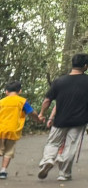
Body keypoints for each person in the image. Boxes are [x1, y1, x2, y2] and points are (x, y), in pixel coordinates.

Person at [36, 53, 88, 181]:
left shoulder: (59, 81)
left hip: (60, 120)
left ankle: (48, 159)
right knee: (71, 145)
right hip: (79, 120)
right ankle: (63, 174)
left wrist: (42, 114)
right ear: (85, 66)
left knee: (53, 143)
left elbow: (47, 100)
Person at [0, 80, 33, 179]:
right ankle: (3, 171)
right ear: (20, 91)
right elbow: (31, 112)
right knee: (8, 151)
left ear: (6, 92)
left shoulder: (0, 102)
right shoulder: (22, 101)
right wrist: (38, 118)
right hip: (12, 129)